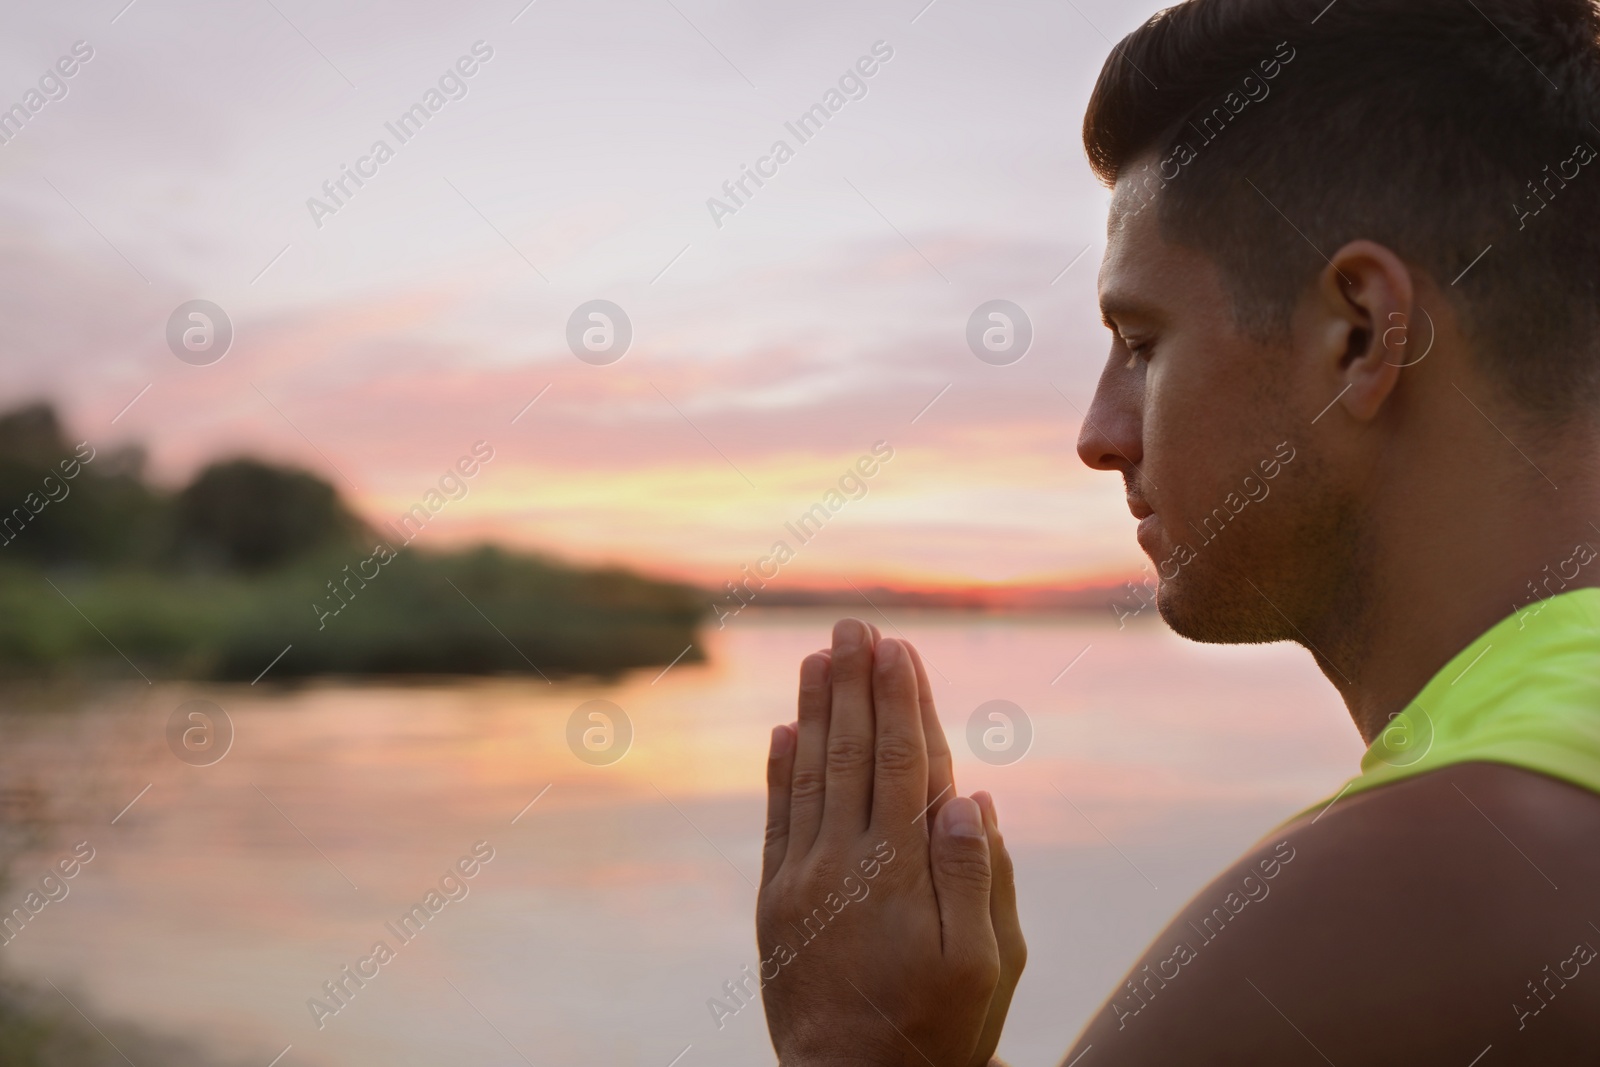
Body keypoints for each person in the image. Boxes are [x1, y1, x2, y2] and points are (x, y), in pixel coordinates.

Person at [754, 0, 1600, 1062]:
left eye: (1140, 341)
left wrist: (862, 1043)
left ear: (1357, 336)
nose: (1098, 436)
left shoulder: (1403, 899)